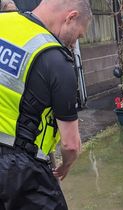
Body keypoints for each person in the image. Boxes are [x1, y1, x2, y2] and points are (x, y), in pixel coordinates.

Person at [0, 0, 92, 209]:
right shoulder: (55, 59)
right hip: (20, 170)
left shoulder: (3, 23)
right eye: (78, 35)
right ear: (70, 17)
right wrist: (66, 164)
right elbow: (70, 144)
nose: (75, 44)